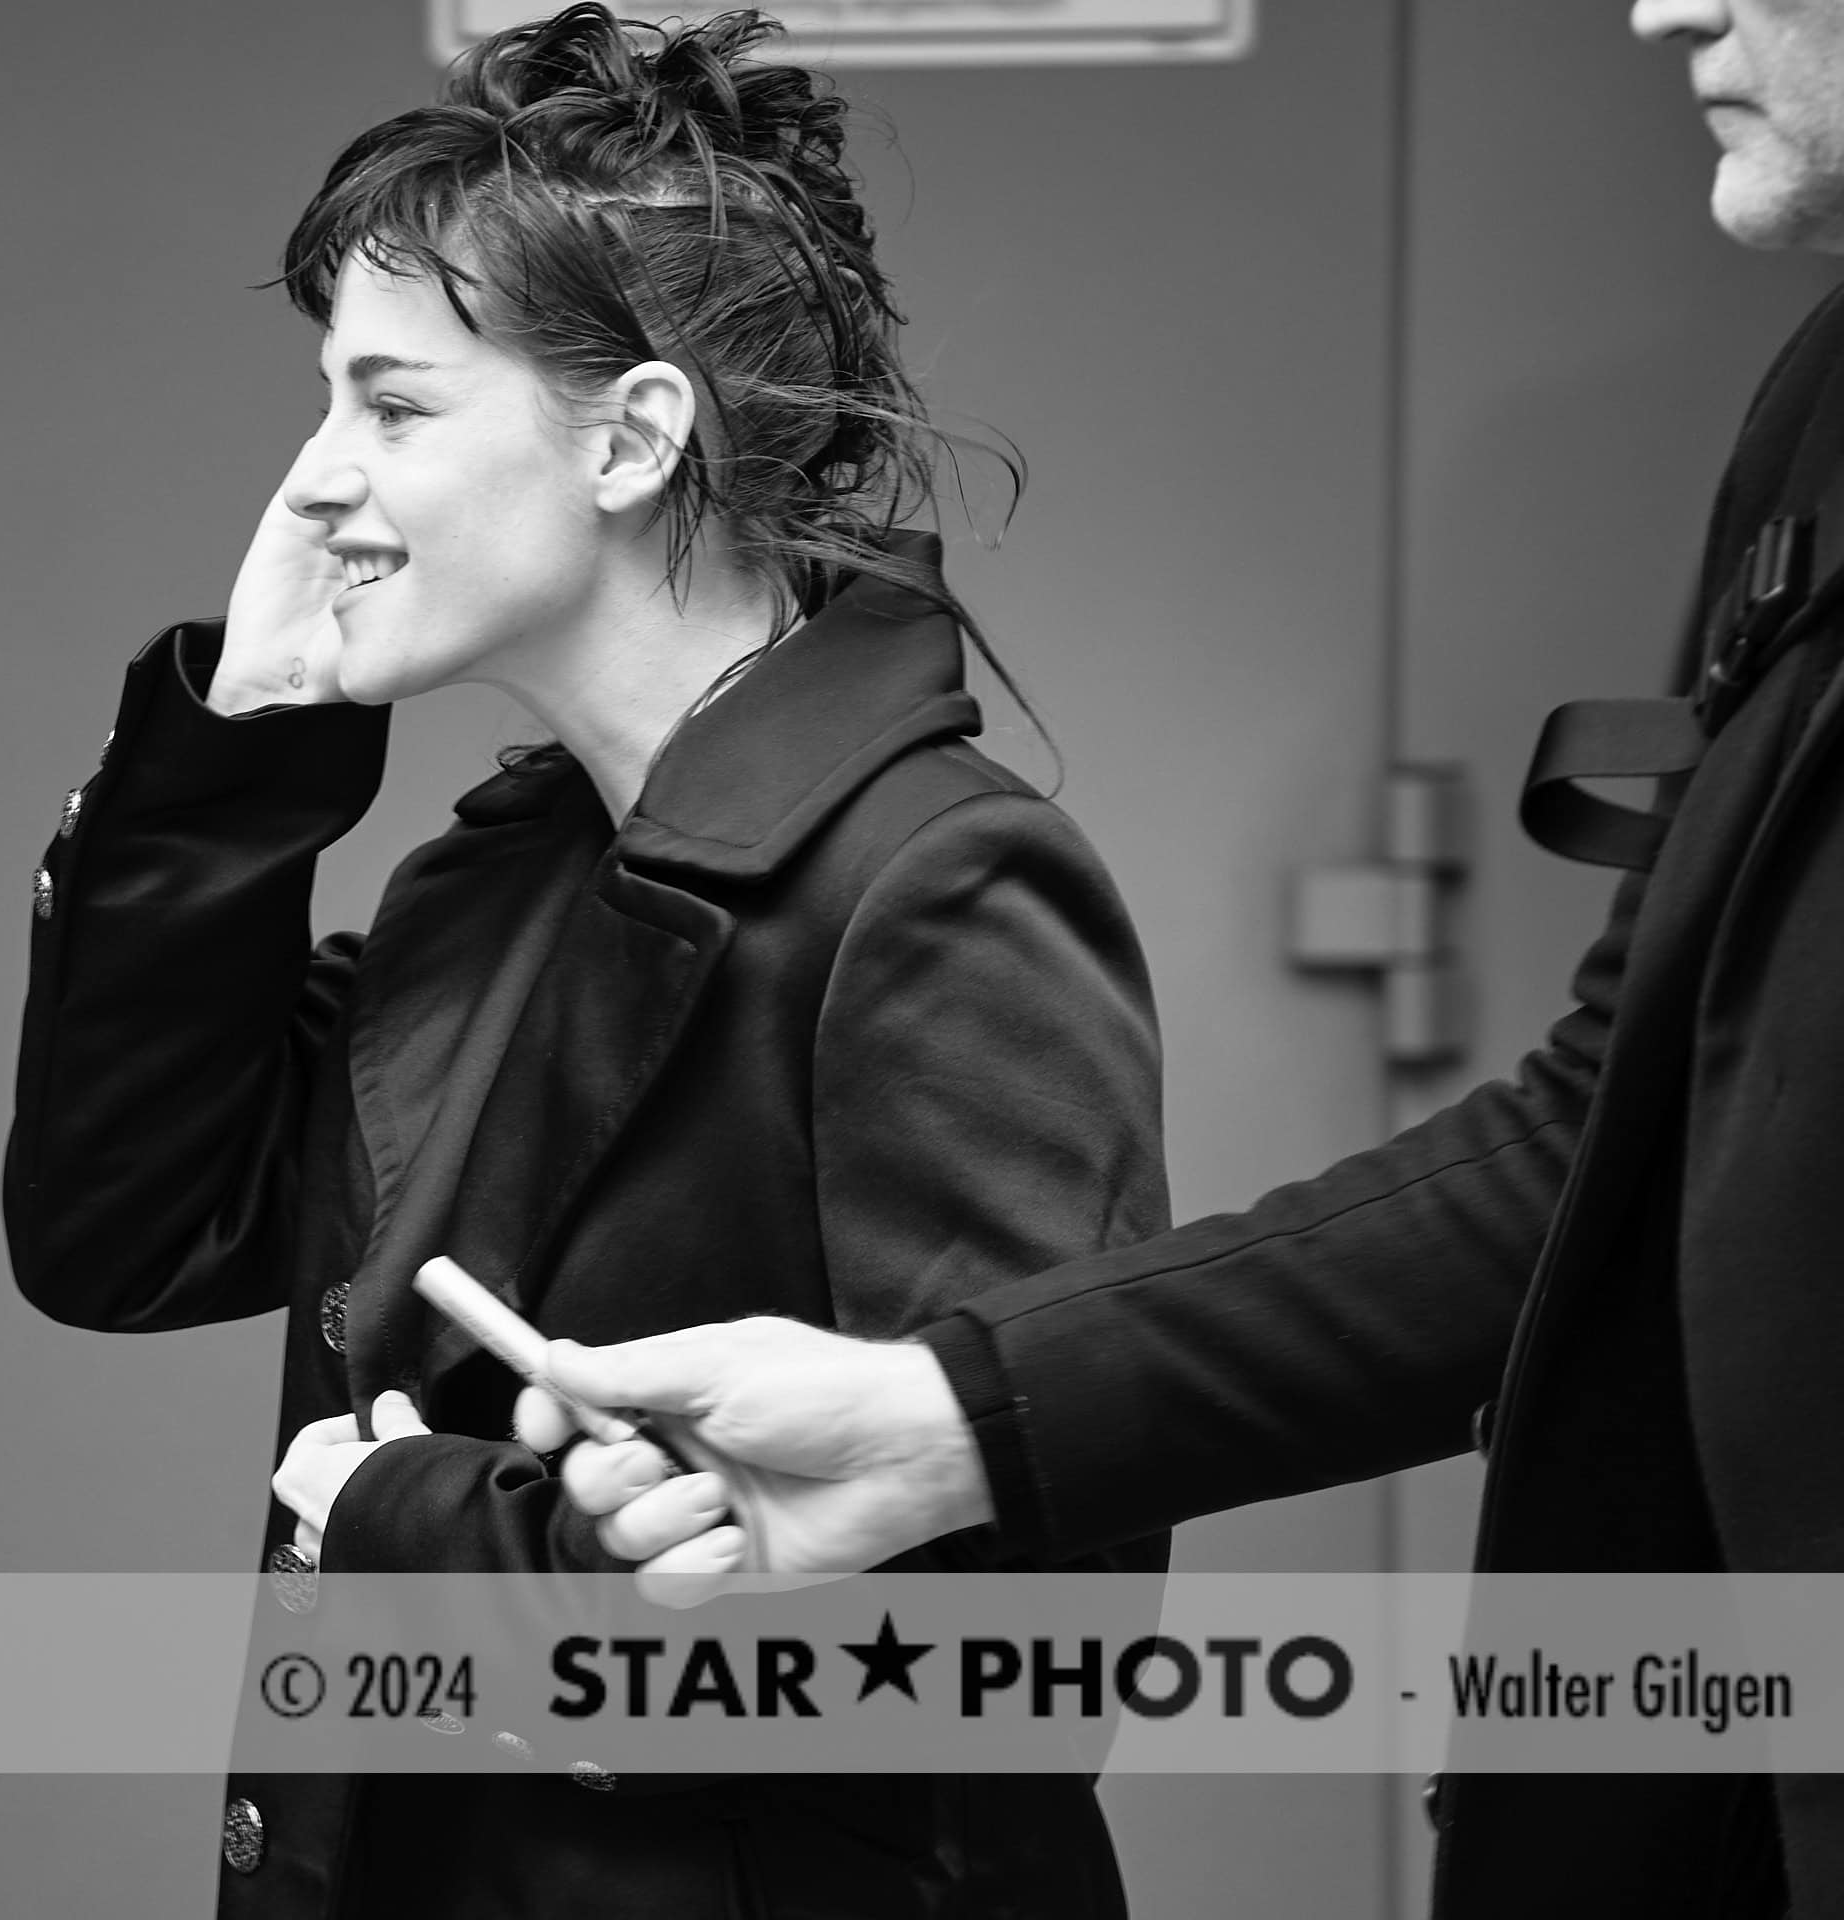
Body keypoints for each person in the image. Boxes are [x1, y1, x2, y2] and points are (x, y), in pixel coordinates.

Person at [535, 1, 1844, 1913]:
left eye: (396, 400)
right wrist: (938, 1423)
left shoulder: (938, 881)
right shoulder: (1823, 407)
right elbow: (1601, 1148)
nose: (1666, 5)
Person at [2, 8, 1173, 1913]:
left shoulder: (940, 890)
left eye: (391, 408)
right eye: (323, 402)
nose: (307, 481)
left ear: (634, 437)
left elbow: (1016, 1666)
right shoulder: (504, 883)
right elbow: (125, 1233)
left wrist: (422, 1532)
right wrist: (245, 742)